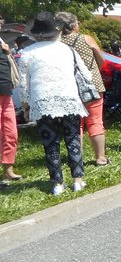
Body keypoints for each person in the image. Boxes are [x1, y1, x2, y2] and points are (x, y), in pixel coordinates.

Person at [17, 12, 89, 195]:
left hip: (42, 100)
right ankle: (78, 180)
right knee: (73, 139)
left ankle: (57, 183)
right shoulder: (66, 49)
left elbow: (23, 84)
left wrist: (25, 106)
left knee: (50, 143)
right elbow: (85, 74)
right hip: (68, 97)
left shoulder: (25, 53)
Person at [55, 12, 109, 165]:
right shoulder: (85, 38)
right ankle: (100, 157)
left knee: (75, 124)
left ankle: (77, 157)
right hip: (92, 84)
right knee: (95, 121)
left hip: (69, 86)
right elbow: (101, 59)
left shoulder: (56, 44)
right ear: (73, 25)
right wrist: (94, 70)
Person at [1, 35, 21, 187]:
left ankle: (8, 170)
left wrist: (8, 53)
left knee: (10, 132)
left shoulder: (1, 42)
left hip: (6, 91)